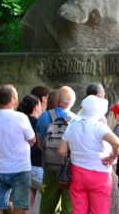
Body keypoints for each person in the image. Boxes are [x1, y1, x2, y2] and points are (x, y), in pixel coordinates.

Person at [59, 95, 119, 214]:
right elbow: (117, 143)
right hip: (100, 176)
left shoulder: (72, 126)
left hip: (77, 174)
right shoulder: (99, 127)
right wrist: (112, 157)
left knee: (78, 211)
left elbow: (61, 151)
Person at [0, 85, 36, 214]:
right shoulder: (21, 117)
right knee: (20, 205)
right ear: (13, 99)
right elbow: (32, 139)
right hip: (20, 168)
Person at [37, 86, 76, 214]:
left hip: (50, 168)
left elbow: (40, 144)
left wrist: (51, 156)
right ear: (72, 102)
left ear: (57, 100)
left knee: (47, 206)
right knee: (68, 208)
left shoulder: (44, 117)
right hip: (70, 170)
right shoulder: (77, 120)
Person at [18, 94, 44, 214]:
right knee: (48, 193)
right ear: (35, 107)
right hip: (37, 166)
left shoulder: (19, 121)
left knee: (28, 201)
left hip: (22, 166)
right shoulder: (39, 123)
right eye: (39, 104)